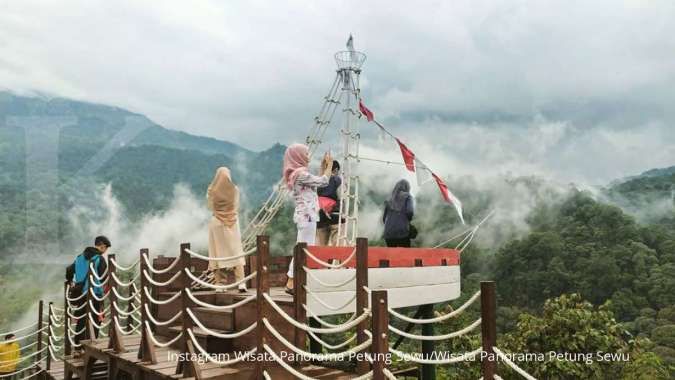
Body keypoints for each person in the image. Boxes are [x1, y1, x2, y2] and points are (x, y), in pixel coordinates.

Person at [283, 143, 331, 293]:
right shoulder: (300, 175)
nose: (308, 157)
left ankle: (294, 281)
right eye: (306, 154)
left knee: (303, 248)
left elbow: (316, 181)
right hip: (307, 217)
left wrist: (323, 167)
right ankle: (291, 282)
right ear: (299, 156)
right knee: (303, 250)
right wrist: (329, 165)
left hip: (306, 216)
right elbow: (324, 181)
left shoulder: (297, 174)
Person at [65, 235, 110, 350]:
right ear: (102, 246)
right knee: (95, 321)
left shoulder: (79, 257)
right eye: (105, 248)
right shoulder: (99, 259)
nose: (105, 251)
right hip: (95, 294)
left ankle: (78, 349)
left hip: (81, 295)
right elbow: (104, 278)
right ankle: (91, 348)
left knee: (81, 321)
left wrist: (70, 281)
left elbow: (69, 270)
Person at [207, 167, 247, 293]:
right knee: (236, 251)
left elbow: (209, 206)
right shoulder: (235, 190)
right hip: (232, 222)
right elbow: (236, 205)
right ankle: (241, 283)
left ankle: (220, 283)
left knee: (218, 252)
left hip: (216, 222)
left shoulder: (211, 190)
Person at [316, 160, 342, 246]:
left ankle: (321, 258)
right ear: (336, 170)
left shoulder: (319, 180)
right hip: (333, 210)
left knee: (321, 241)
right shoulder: (337, 180)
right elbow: (341, 195)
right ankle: (337, 258)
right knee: (336, 236)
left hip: (320, 211)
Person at [382, 179, 415, 247]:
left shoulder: (389, 198)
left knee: (391, 256)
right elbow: (410, 212)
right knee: (405, 255)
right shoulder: (408, 196)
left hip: (388, 233)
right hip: (402, 232)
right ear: (407, 187)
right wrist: (407, 221)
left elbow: (384, 219)